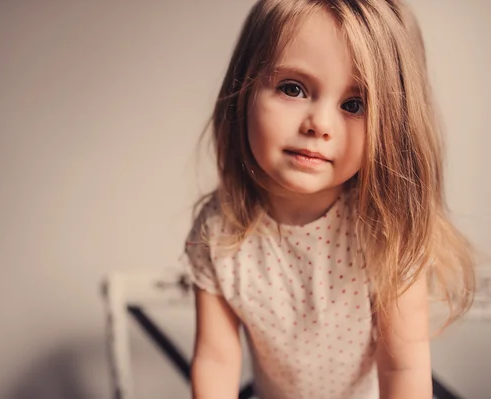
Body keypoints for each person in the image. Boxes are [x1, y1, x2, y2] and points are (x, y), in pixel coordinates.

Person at [180, 1, 476, 398]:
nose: (318, 124)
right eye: (292, 88)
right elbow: (216, 360)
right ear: (243, 90)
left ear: (391, 124)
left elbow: (403, 367)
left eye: (353, 105)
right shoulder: (220, 229)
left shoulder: (386, 228)